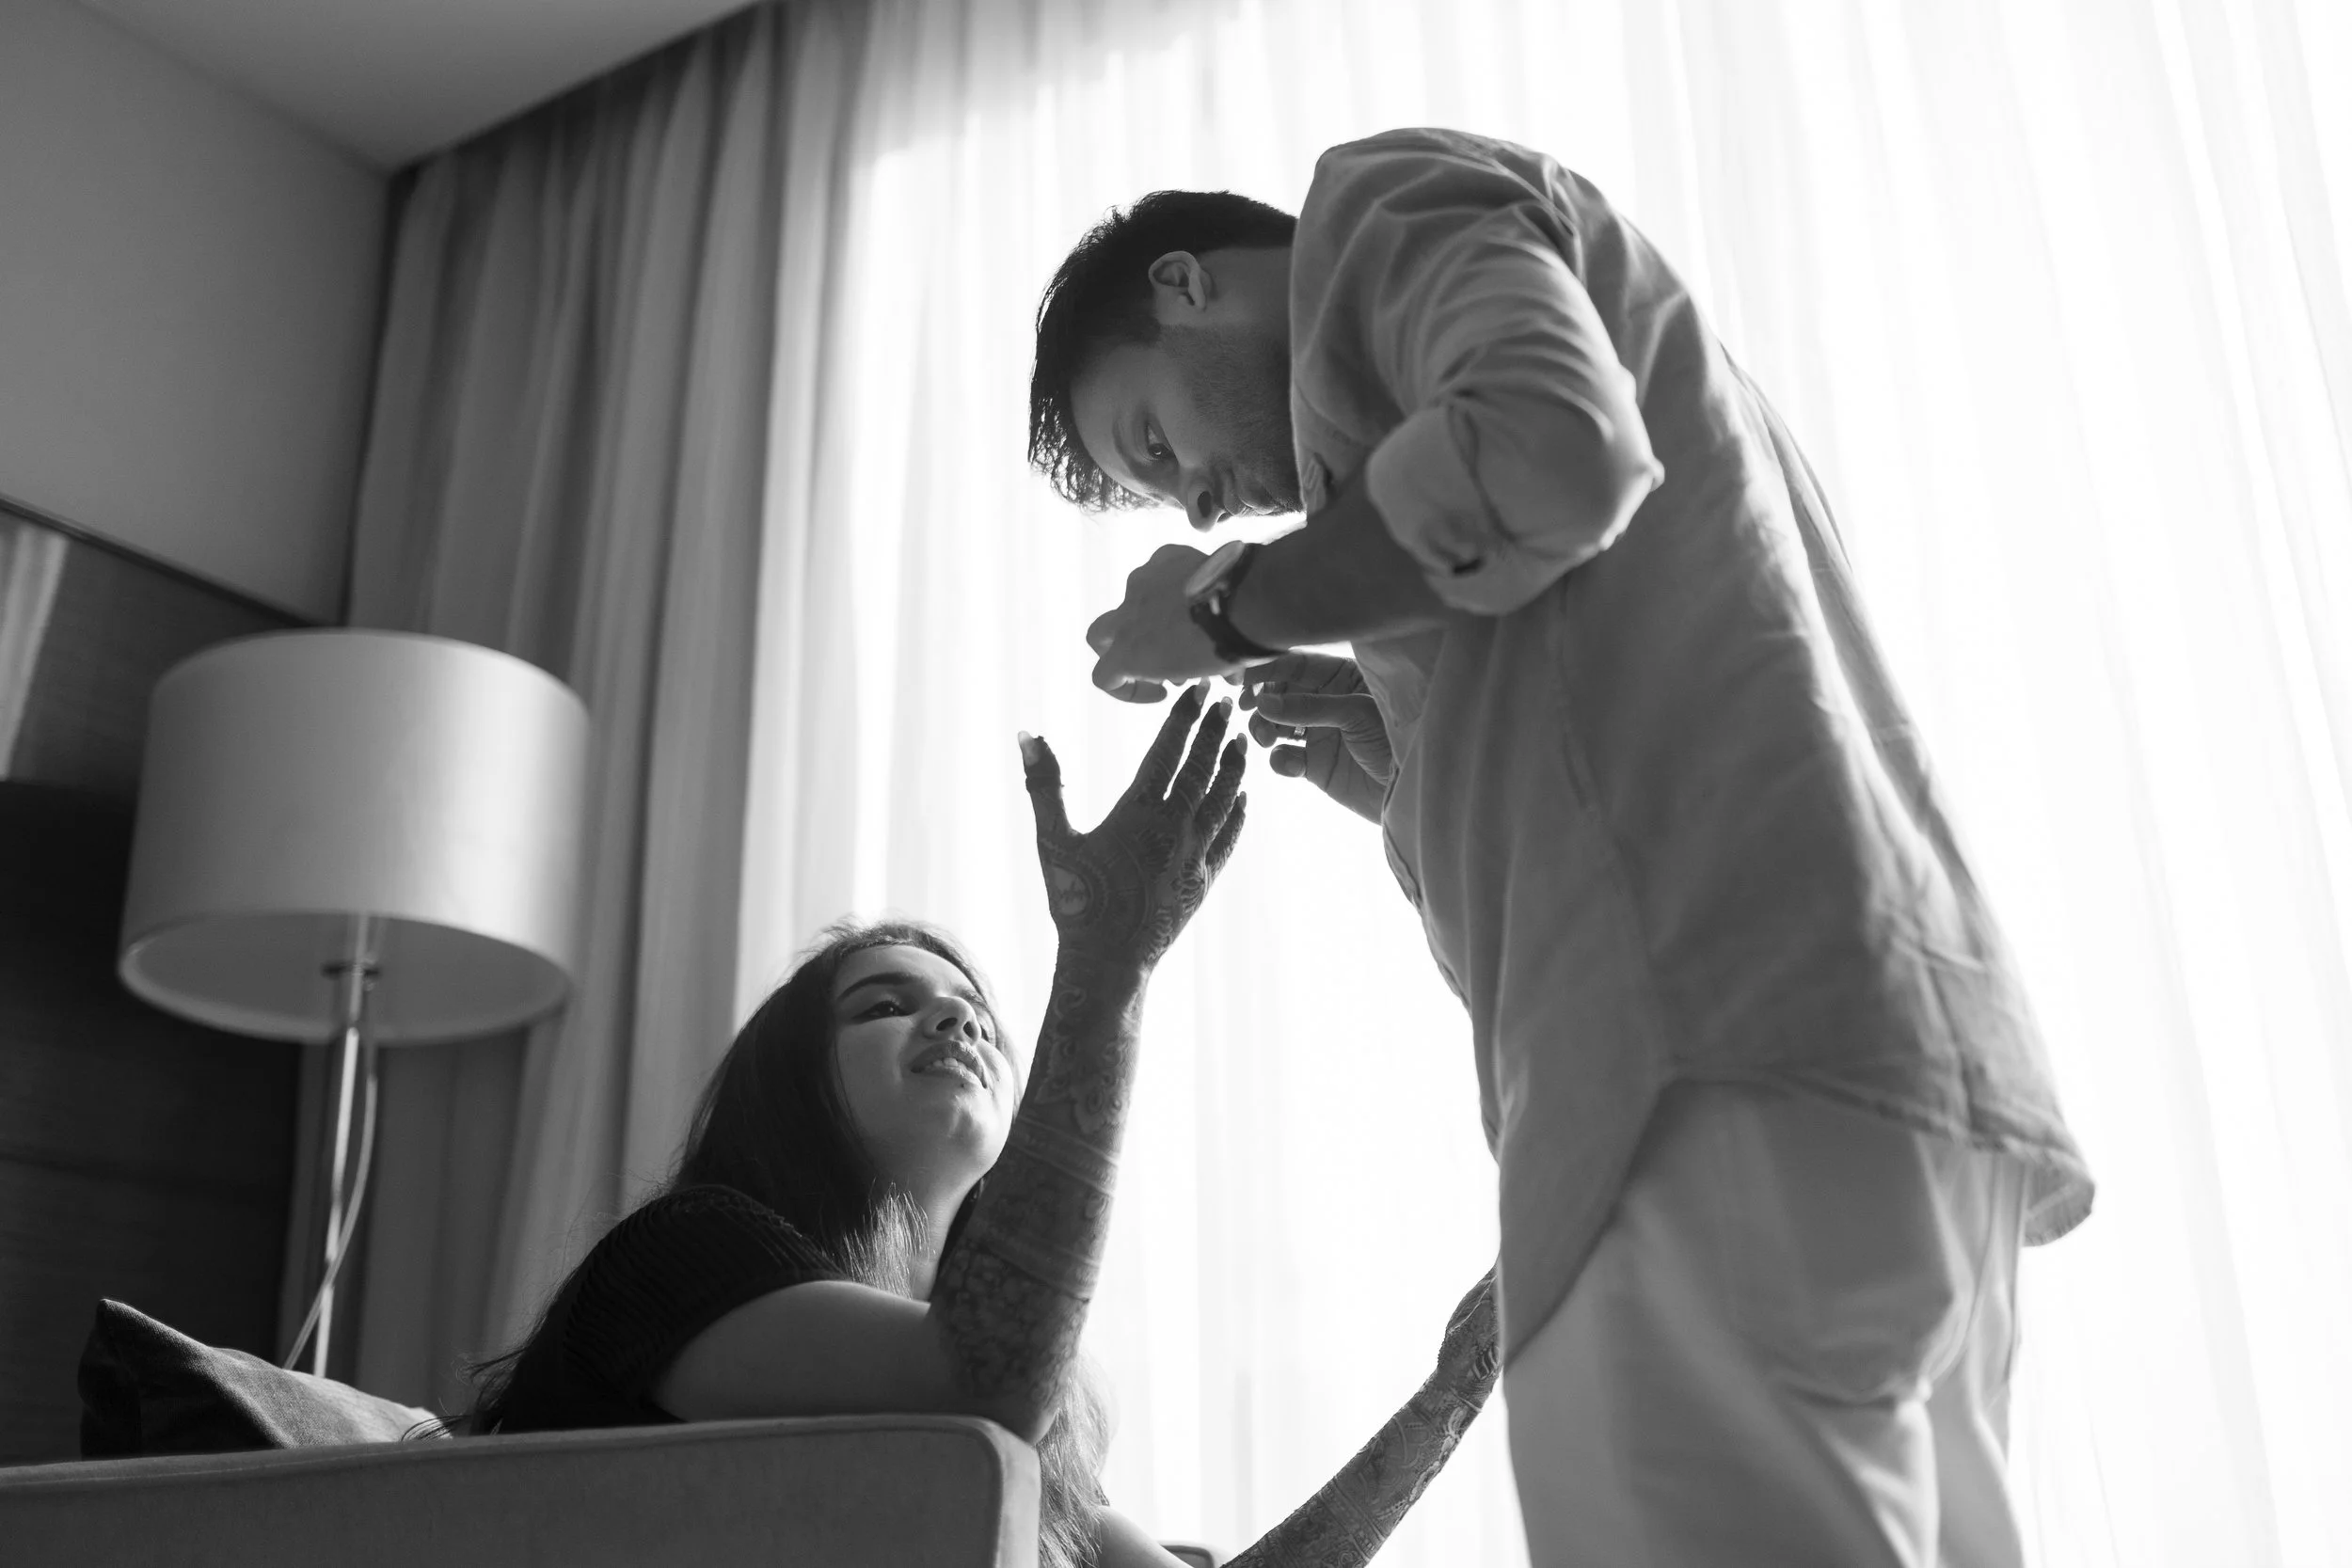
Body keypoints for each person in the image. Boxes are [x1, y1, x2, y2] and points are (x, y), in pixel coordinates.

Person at [1025, 127, 2096, 1565]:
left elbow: (1557, 447)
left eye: (1160, 444)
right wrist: (1404, 756)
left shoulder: (1377, 212)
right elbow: (1603, 664)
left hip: (1704, 1067)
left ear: (1188, 283)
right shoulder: (1426, 415)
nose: (1206, 502)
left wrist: (1225, 609)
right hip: (1876, 1069)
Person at [458, 689, 1501, 1568]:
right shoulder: (679, 1258)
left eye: (976, 1012)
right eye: (883, 1003)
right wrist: (1105, 965)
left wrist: (1447, 1398)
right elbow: (975, 1380)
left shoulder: (1043, 1431)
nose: (955, 1017)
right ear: (788, 1084)